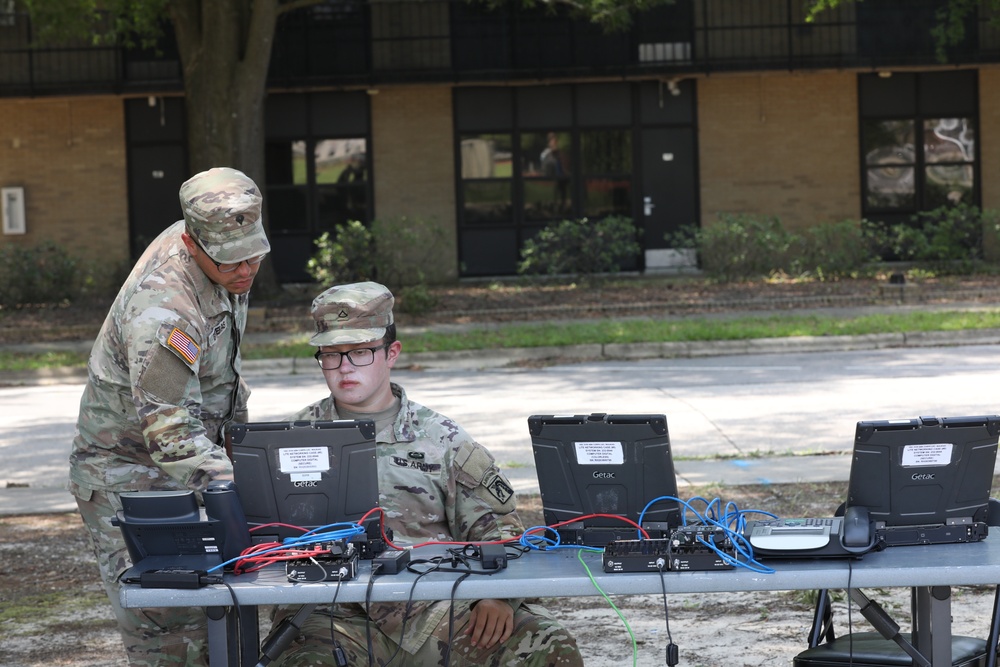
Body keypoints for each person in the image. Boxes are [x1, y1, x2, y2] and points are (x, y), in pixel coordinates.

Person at [273, 281, 584, 667]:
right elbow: (257, 538)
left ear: (392, 354)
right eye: (331, 355)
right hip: (329, 613)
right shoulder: (288, 440)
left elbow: (501, 528)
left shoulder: (442, 438)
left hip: (436, 609)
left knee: (548, 645)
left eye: (361, 352)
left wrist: (499, 595)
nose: (345, 367)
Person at [68, 166, 270, 665]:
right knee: (168, 629)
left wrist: (245, 449)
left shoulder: (225, 243)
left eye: (254, 255)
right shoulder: (165, 309)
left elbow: (222, 377)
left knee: (223, 613)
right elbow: (171, 434)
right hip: (128, 475)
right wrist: (251, 487)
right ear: (192, 244)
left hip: (191, 465)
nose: (245, 271)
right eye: (231, 263)